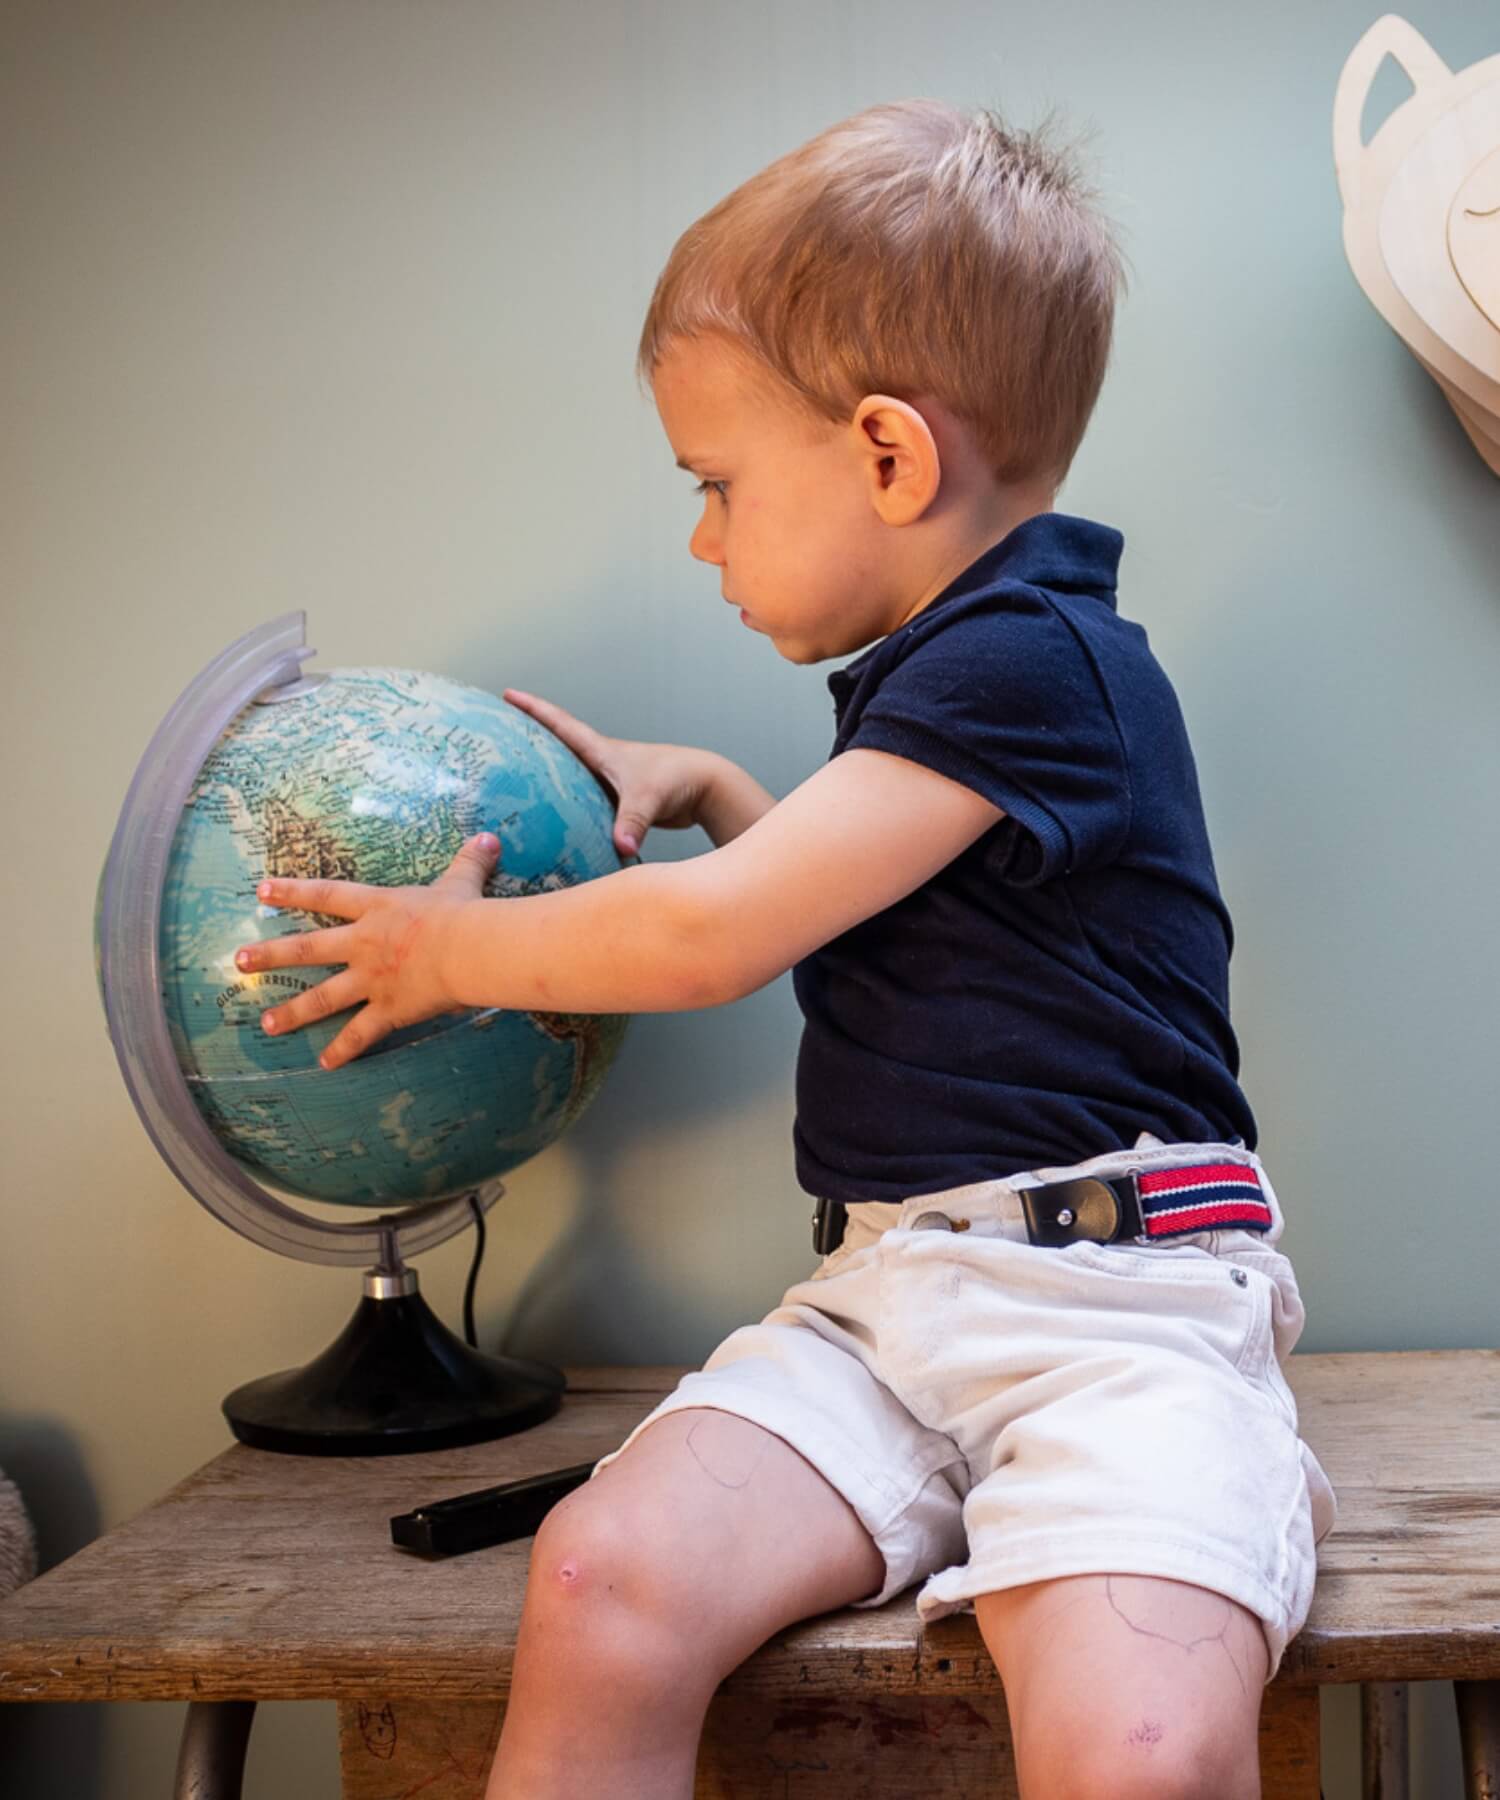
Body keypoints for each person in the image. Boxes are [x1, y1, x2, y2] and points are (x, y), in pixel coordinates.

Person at [237, 99, 1336, 1800]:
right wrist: (731, 792)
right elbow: (895, 923)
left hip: (1115, 1312)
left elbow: (715, 940)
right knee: (602, 1581)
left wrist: (449, 954)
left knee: (1140, 1748)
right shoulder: (962, 676)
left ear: (889, 458)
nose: (704, 537)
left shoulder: (1032, 660)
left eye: (717, 484)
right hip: (888, 1308)